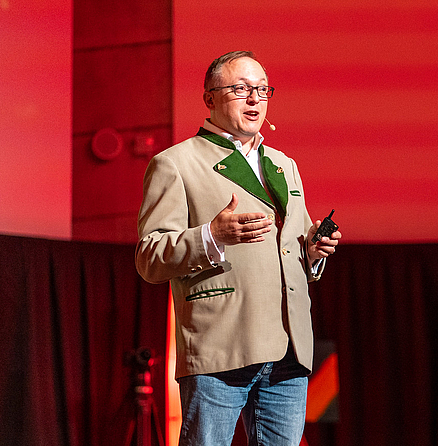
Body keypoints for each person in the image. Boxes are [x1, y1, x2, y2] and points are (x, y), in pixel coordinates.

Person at [135, 50, 341, 445]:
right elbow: (150, 256)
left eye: (262, 90)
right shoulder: (175, 163)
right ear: (209, 98)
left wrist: (312, 250)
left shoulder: (284, 165)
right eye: (240, 89)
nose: (254, 100)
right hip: (220, 346)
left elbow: (288, 250)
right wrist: (212, 235)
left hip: (288, 349)